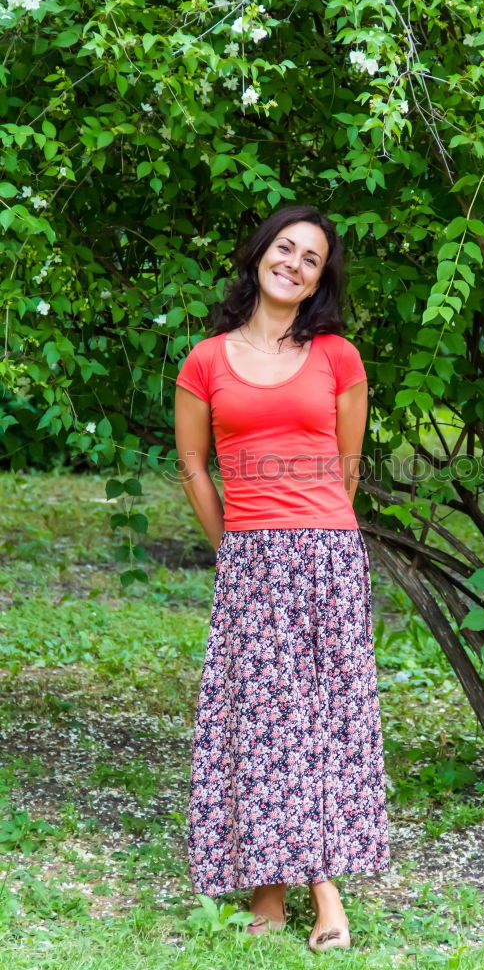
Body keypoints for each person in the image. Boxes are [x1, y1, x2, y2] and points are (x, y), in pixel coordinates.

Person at [174, 204, 390, 952]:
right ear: (261, 253)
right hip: (251, 558)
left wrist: (316, 529)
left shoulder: (339, 357)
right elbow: (194, 468)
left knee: (318, 722)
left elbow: (348, 466)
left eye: (311, 260)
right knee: (267, 718)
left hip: (328, 557)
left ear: (317, 282)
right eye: (285, 249)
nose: (293, 264)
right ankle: (309, 891)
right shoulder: (205, 360)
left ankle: (285, 889)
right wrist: (237, 543)